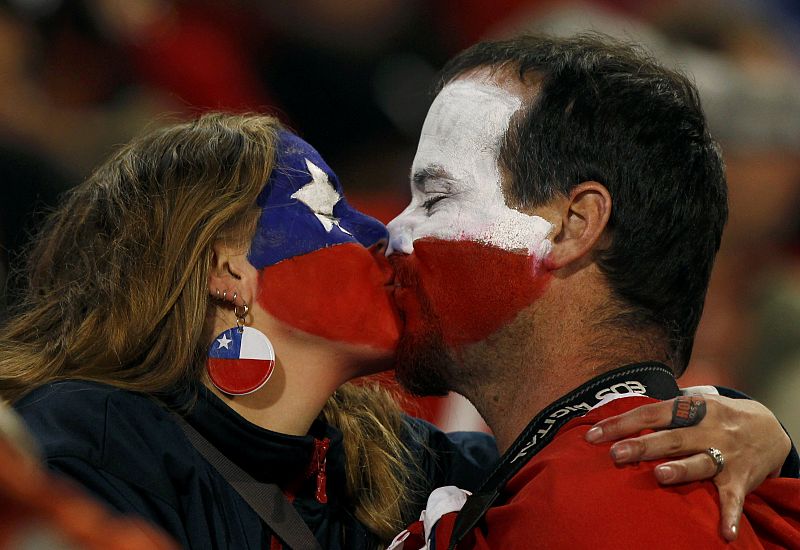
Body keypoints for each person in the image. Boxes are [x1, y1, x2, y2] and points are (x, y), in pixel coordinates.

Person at [0, 113, 791, 550]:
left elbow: (592, 455)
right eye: (323, 212)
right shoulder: (87, 434)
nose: (379, 232)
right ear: (227, 271)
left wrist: (757, 434)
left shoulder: (390, 458)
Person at [385, 34, 800, 549]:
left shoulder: (610, 512)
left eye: (436, 196)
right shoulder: (600, 486)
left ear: (574, 225)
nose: (395, 233)